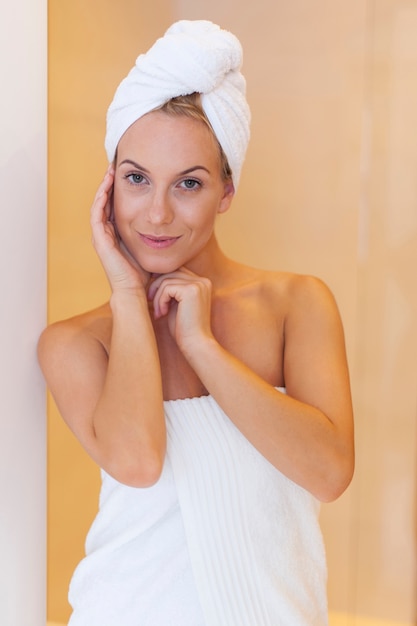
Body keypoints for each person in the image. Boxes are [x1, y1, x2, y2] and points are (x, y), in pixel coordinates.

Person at [38, 19, 354, 626]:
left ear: (227, 190)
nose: (156, 213)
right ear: (109, 187)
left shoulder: (296, 304)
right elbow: (137, 462)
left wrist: (202, 345)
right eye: (136, 179)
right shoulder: (77, 343)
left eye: (188, 183)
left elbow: (329, 471)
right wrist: (129, 295)